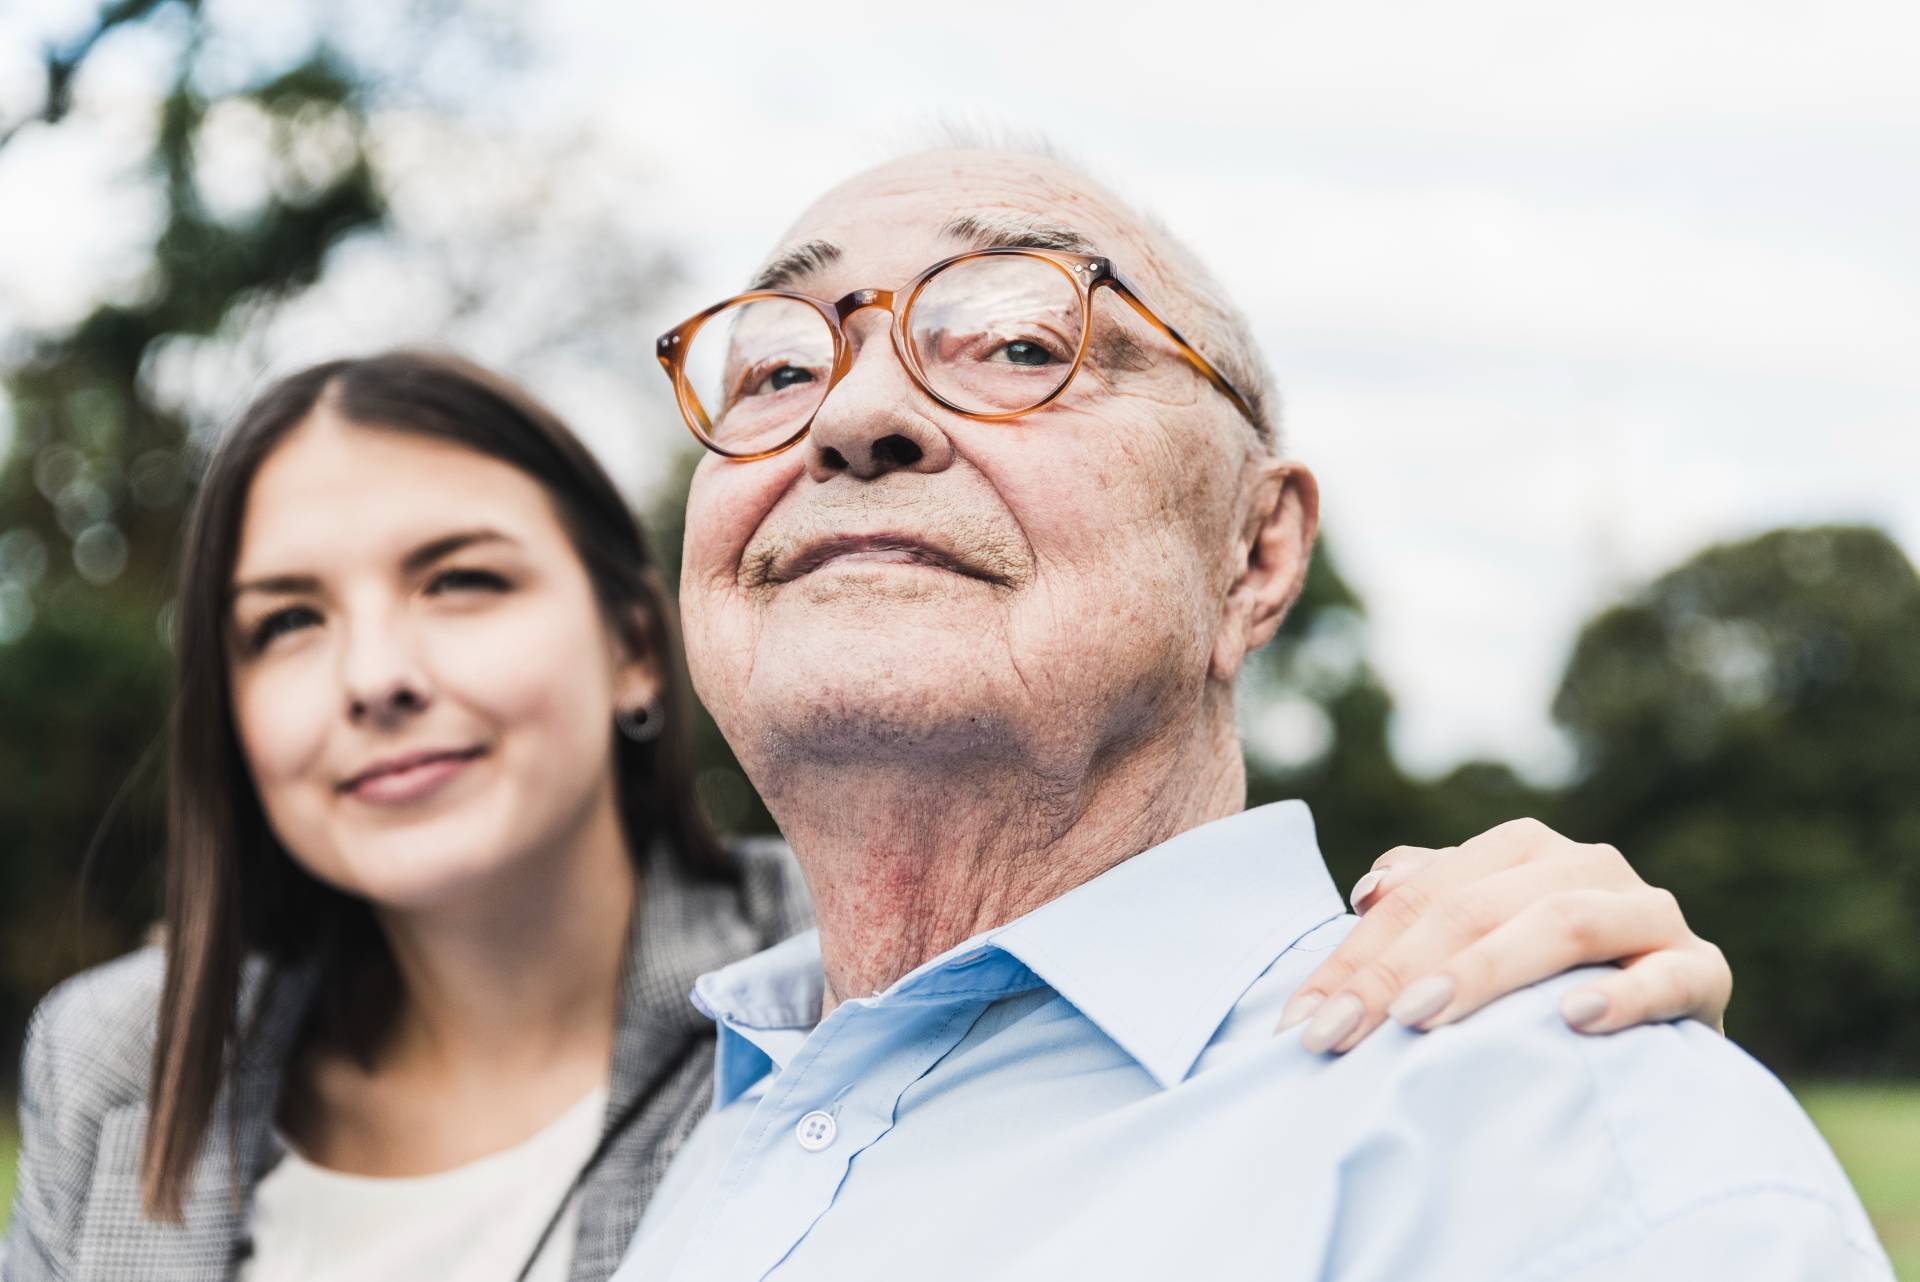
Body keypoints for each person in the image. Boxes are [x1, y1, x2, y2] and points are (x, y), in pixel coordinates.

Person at [1, 349, 1731, 1282]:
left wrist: (1533, 920)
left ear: (632, 646)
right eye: (283, 621)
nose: (370, 672)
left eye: (459, 582)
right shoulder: (113, 1059)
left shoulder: (869, 1000)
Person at [610, 146, 1893, 1280]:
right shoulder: (710, 1123)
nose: (854, 414)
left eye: (1018, 342)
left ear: (1258, 552)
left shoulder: (1551, 1135)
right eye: (777, 366)